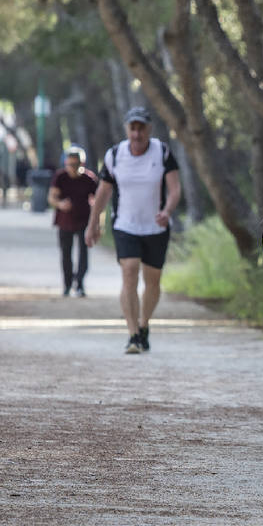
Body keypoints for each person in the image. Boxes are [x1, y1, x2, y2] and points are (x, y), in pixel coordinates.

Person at [85, 106, 182, 354]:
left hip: (156, 227)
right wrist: (93, 223)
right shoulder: (115, 155)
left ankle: (144, 324)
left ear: (149, 129)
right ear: (127, 129)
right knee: (129, 271)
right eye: (132, 128)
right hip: (125, 224)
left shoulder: (162, 153)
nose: (136, 133)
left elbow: (174, 189)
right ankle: (132, 334)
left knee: (152, 281)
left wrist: (168, 211)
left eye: (141, 128)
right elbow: (103, 193)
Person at [49, 147, 99, 297]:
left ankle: (80, 283)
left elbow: (98, 202)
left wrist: (97, 224)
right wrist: (60, 204)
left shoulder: (89, 179)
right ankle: (67, 284)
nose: (72, 168)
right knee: (66, 253)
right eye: (69, 164)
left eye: (75, 164)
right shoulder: (60, 177)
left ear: (82, 163)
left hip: (84, 221)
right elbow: (51, 198)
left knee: (83, 253)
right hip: (65, 221)